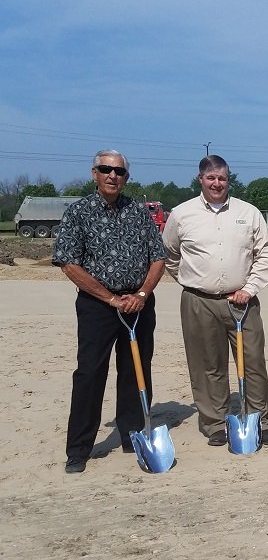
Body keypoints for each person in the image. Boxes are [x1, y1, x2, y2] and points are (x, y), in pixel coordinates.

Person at [52, 150, 166, 473]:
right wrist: (110, 298)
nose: (113, 176)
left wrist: (142, 293)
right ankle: (79, 448)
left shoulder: (139, 213)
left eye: (119, 172)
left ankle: (133, 434)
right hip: (97, 307)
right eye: (106, 169)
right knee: (90, 373)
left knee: (136, 369)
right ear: (94, 173)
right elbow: (68, 262)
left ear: (126, 177)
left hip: (139, 304)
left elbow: (158, 257)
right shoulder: (79, 212)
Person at [162, 155, 268, 447]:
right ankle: (215, 423)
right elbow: (170, 255)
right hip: (199, 303)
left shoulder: (249, 213)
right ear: (200, 179)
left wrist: (249, 288)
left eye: (222, 178)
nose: (217, 183)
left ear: (229, 180)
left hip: (243, 301)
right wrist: (196, 282)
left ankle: (261, 422)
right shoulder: (181, 214)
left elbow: (266, 253)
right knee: (208, 366)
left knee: (252, 363)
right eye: (211, 178)